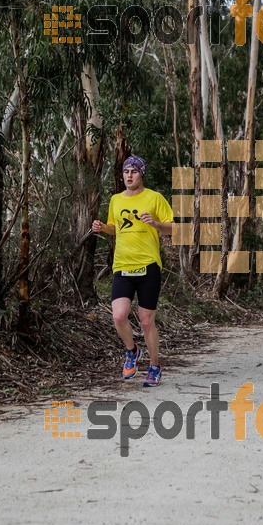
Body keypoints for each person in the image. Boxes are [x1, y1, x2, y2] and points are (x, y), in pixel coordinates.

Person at [92, 155, 174, 386]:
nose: (129, 175)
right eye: (126, 172)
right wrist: (102, 227)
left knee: (147, 321)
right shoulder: (116, 200)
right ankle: (132, 350)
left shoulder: (155, 198)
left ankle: (155, 367)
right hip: (123, 265)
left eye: (134, 172)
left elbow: (174, 228)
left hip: (148, 266)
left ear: (141, 174)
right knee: (118, 315)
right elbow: (115, 228)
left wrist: (157, 224)